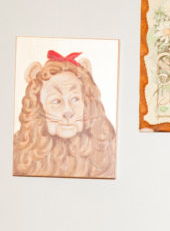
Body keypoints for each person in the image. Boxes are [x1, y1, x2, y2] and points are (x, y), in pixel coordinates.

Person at [13, 50, 116, 179]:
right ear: (38, 107)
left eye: (75, 99)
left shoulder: (110, 148)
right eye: (56, 101)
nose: (68, 111)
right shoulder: (15, 151)